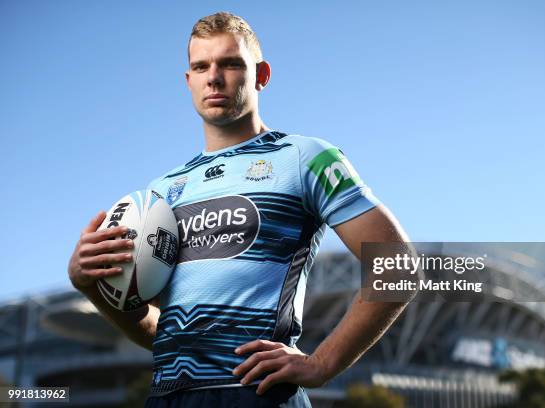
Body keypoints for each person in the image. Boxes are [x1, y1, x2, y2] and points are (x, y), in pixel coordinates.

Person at [68, 12, 413, 408]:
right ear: (189, 80)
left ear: (261, 75)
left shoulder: (305, 158)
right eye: (201, 66)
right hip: (166, 397)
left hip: (257, 394)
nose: (214, 77)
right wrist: (90, 285)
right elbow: (159, 331)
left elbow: (398, 267)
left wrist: (322, 364)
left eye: (230, 63)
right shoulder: (159, 195)